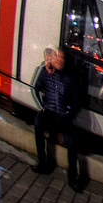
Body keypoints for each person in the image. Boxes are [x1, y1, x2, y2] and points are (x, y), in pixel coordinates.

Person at [30, 47, 85, 192]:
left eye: (61, 58)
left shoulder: (69, 78)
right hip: (49, 112)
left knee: (71, 142)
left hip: (62, 116)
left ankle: (72, 179)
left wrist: (68, 113)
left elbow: (76, 101)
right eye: (56, 57)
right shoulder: (46, 72)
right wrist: (41, 105)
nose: (58, 60)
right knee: (38, 124)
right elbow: (35, 87)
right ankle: (43, 163)